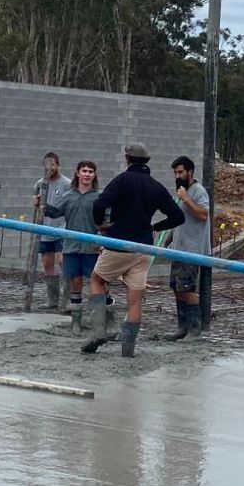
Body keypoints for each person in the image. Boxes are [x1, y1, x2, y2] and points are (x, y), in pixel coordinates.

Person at [83, 143, 183, 357]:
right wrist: (155, 227)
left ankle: (98, 331)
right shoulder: (156, 187)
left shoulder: (121, 180)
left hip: (118, 243)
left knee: (97, 280)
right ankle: (128, 350)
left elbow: (99, 205)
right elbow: (178, 217)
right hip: (143, 248)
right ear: (147, 162)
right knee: (135, 300)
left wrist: (101, 224)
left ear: (127, 158)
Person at [43, 159, 102, 332]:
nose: (87, 174)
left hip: (92, 249)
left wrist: (102, 236)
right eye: (84, 171)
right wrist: (41, 204)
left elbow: (105, 222)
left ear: (94, 175)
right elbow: (54, 212)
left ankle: (98, 321)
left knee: (97, 285)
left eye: (90, 171)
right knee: (75, 284)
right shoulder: (68, 196)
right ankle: (76, 321)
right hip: (71, 247)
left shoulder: (99, 197)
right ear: (78, 173)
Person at [165, 155, 211, 339]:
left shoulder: (198, 191)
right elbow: (180, 220)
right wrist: (170, 238)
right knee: (177, 288)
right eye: (175, 172)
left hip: (191, 251)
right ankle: (182, 327)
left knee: (188, 289)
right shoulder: (181, 192)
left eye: (180, 172)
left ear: (190, 172)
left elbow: (203, 214)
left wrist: (186, 199)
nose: (177, 176)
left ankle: (194, 329)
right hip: (178, 248)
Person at [32, 151, 72, 310]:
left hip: (61, 228)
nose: (50, 168)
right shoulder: (40, 184)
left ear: (58, 165)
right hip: (45, 228)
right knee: (48, 263)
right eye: (47, 165)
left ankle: (68, 298)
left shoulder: (67, 184)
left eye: (53, 165)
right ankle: (52, 300)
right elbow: (36, 203)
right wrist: (35, 202)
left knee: (62, 260)